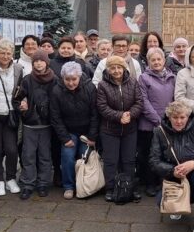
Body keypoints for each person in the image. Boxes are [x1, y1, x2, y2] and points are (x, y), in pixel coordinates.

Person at [150, 101, 194, 232]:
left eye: (182, 117)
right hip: (174, 178)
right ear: (169, 117)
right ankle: (178, 206)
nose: (179, 121)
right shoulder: (159, 132)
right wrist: (172, 171)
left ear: (188, 116)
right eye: (175, 117)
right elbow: (154, 161)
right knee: (160, 202)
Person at [97, 56, 143, 202]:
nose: (116, 71)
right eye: (113, 68)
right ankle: (110, 188)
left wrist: (130, 114)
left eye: (119, 67)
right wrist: (119, 116)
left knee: (129, 160)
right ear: (108, 70)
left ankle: (129, 187)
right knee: (111, 161)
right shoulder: (102, 85)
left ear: (124, 68)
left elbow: (139, 102)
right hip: (110, 129)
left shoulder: (133, 82)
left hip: (130, 128)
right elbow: (102, 107)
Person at [50, 62, 98, 199]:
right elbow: (55, 116)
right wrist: (65, 138)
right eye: (67, 79)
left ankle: (83, 185)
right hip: (68, 131)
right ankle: (69, 186)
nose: (71, 83)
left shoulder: (89, 87)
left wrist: (92, 136)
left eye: (74, 79)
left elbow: (95, 113)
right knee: (67, 157)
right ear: (63, 78)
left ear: (79, 77)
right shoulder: (57, 91)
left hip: (86, 132)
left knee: (84, 158)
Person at [14, 50, 57, 200]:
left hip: (47, 125)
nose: (38, 63)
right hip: (30, 125)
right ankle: (28, 184)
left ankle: (43, 183)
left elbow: (58, 100)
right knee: (28, 156)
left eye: (41, 60)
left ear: (47, 62)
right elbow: (17, 99)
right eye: (36, 61)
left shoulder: (54, 80)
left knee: (45, 156)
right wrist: (22, 105)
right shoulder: (27, 79)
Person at [137, 47, 176, 197]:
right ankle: (150, 183)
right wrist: (157, 120)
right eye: (153, 60)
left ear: (164, 60)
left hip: (168, 124)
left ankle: (163, 182)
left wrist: (169, 120)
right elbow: (143, 101)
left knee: (164, 155)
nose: (156, 62)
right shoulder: (143, 78)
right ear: (148, 62)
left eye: (159, 59)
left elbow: (175, 99)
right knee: (149, 155)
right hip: (149, 125)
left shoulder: (172, 77)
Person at [0, 39, 24, 196]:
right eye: (2, 53)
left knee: (11, 149)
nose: (5, 56)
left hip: (11, 115)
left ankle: (10, 178)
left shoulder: (18, 69)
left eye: (8, 53)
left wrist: (23, 101)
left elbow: (21, 90)